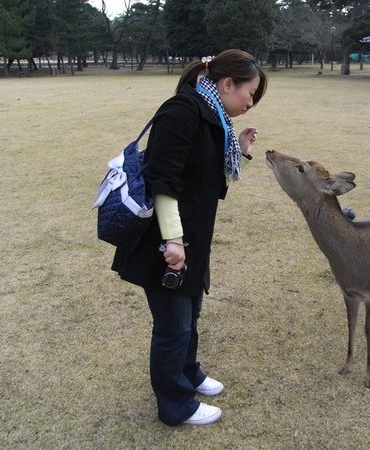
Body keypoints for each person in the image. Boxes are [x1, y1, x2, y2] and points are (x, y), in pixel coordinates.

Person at [111, 49, 268, 426]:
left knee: (190, 314)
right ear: (227, 84)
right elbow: (163, 182)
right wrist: (175, 242)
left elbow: (202, 180)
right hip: (164, 242)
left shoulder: (210, 115)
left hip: (189, 238)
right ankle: (175, 405)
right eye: (250, 94)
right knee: (173, 325)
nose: (251, 103)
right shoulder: (182, 111)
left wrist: (240, 151)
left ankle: (189, 373)